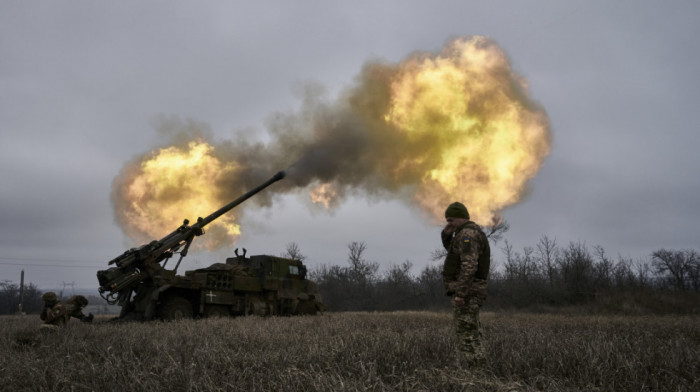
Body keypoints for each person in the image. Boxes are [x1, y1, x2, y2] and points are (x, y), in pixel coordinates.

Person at [441, 202, 490, 365]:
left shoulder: (467, 234)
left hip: (468, 293)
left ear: (461, 218)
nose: (449, 224)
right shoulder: (466, 233)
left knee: (466, 335)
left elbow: (469, 266)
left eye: (451, 220)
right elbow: (455, 253)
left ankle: (478, 374)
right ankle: (481, 372)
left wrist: (461, 294)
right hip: (472, 291)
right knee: (472, 333)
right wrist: (446, 236)